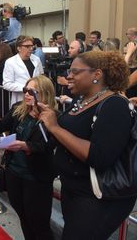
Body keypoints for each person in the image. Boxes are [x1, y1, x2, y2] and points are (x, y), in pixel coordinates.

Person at [38, 51, 137, 239]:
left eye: (75, 71)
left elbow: (100, 157)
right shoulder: (81, 100)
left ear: (97, 74)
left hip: (99, 197)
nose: (69, 76)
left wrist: (56, 127)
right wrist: (48, 121)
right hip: (74, 189)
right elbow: (69, 135)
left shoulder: (115, 105)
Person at [0, 75, 57, 240]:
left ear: (44, 93)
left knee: (39, 224)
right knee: (23, 217)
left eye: (31, 91)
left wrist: (26, 146)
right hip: (14, 173)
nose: (26, 94)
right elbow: (1, 126)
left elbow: (49, 146)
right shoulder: (17, 109)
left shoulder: (53, 117)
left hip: (36, 178)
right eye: (25, 90)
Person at [2, 36, 44, 106]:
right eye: (27, 46)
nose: (31, 49)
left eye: (32, 46)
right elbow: (7, 84)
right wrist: (25, 88)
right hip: (20, 99)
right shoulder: (10, 62)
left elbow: (41, 76)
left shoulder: (36, 59)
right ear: (19, 48)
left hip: (36, 98)